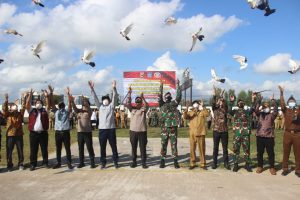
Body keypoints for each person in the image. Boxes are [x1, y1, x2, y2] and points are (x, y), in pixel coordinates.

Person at [89, 80, 119, 169]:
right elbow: (95, 98)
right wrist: (92, 89)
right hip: (102, 130)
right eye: (104, 99)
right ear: (102, 101)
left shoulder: (111, 106)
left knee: (113, 146)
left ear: (109, 101)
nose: (105, 100)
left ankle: (115, 161)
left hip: (111, 129)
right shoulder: (100, 107)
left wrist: (114, 88)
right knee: (102, 147)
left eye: (107, 99)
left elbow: (115, 97)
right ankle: (103, 162)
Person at [66, 88, 96, 169]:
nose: (83, 106)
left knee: (89, 147)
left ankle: (92, 162)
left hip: (87, 132)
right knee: (80, 148)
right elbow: (74, 107)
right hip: (80, 133)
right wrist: (71, 99)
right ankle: (81, 162)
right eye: (83, 105)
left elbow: (87, 107)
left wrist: (85, 100)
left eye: (85, 104)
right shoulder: (79, 111)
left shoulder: (89, 112)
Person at [49, 86, 74, 169]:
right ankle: (58, 162)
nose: (61, 105)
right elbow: (52, 103)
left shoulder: (66, 112)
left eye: (62, 104)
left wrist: (68, 94)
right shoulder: (56, 111)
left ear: (63, 105)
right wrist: (51, 93)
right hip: (58, 133)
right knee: (58, 148)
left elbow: (70, 104)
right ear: (58, 106)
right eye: (60, 104)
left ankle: (69, 163)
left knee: (67, 148)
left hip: (66, 132)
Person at [158, 79, 182, 169]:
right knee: (163, 144)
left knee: (174, 144)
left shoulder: (173, 104)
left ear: (170, 97)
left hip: (172, 128)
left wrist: (178, 86)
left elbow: (179, 97)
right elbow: (159, 97)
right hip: (164, 128)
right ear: (165, 98)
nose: (167, 97)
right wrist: (161, 86)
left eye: (169, 96)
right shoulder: (162, 104)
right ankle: (162, 160)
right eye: (166, 96)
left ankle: (175, 161)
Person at [229, 94, 255, 172]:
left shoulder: (247, 112)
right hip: (237, 134)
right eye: (239, 102)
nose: (241, 103)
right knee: (236, 149)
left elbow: (252, 109)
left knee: (246, 149)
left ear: (244, 104)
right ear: (237, 104)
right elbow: (229, 110)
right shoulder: (235, 112)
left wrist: (253, 100)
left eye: (242, 102)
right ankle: (236, 164)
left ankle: (247, 164)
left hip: (245, 134)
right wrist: (231, 101)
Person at [26, 88, 51, 171]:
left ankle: (45, 162)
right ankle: (33, 164)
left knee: (44, 148)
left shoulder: (44, 111)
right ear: (34, 104)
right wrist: (30, 94)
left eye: (40, 103)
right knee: (33, 149)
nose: (38, 104)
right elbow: (27, 105)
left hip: (43, 133)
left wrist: (47, 97)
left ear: (42, 104)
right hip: (33, 134)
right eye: (37, 103)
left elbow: (48, 105)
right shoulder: (31, 111)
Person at [253, 93, 278, 175]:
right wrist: (259, 100)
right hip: (260, 136)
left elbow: (276, 110)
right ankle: (260, 166)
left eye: (267, 106)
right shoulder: (259, 114)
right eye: (264, 106)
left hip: (269, 137)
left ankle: (272, 167)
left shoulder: (272, 115)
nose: (266, 108)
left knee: (271, 153)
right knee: (259, 153)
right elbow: (256, 110)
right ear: (263, 107)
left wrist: (273, 100)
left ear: (269, 108)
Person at [278, 86, 300, 177]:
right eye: (290, 101)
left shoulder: (299, 110)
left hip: (297, 134)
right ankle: (285, 169)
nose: (291, 102)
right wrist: (282, 94)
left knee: (298, 152)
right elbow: (282, 104)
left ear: (295, 103)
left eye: (293, 101)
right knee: (286, 152)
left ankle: (298, 170)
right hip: (287, 133)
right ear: (288, 103)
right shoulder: (285, 110)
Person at [125, 86, 149, 168]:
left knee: (142, 148)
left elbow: (147, 105)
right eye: (137, 102)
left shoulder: (144, 109)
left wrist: (143, 98)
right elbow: (128, 103)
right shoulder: (132, 109)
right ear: (135, 103)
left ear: (141, 102)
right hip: (133, 131)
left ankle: (143, 162)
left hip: (142, 131)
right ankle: (134, 161)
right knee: (133, 147)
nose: (138, 103)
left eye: (139, 102)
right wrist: (129, 93)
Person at [2, 93, 26, 171]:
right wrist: (6, 100)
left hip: (19, 135)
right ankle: (9, 165)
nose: (14, 107)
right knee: (9, 150)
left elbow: (23, 107)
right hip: (10, 134)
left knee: (20, 150)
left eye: (15, 106)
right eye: (12, 106)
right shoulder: (8, 114)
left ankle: (21, 164)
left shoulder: (20, 113)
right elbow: (4, 110)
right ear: (10, 108)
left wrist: (23, 98)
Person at [184, 100, 209, 170]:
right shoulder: (190, 112)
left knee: (202, 149)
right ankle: (192, 163)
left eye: (197, 104)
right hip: (192, 134)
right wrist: (186, 108)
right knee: (192, 149)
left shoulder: (202, 112)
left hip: (201, 133)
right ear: (192, 106)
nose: (195, 105)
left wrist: (203, 106)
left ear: (199, 105)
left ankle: (203, 163)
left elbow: (207, 114)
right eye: (194, 104)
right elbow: (185, 117)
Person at [211, 87, 230, 170]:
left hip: (224, 131)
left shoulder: (225, 109)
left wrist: (222, 96)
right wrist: (215, 95)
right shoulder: (215, 109)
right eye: (219, 101)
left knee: (225, 148)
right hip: (216, 131)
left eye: (221, 101)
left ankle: (226, 163)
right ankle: (214, 163)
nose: (220, 102)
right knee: (215, 148)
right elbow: (213, 103)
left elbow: (226, 105)